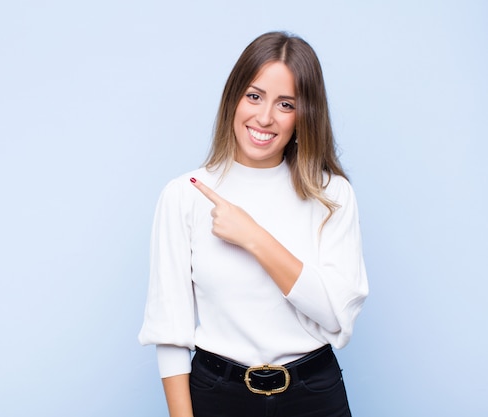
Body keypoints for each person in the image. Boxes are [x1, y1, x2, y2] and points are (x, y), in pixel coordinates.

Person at [138, 31, 368, 417]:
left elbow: (335, 316)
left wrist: (254, 237)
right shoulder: (186, 194)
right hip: (217, 395)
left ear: (305, 114)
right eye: (254, 96)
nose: (264, 117)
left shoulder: (332, 194)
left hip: (314, 396)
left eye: (286, 104)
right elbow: (170, 333)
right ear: (234, 98)